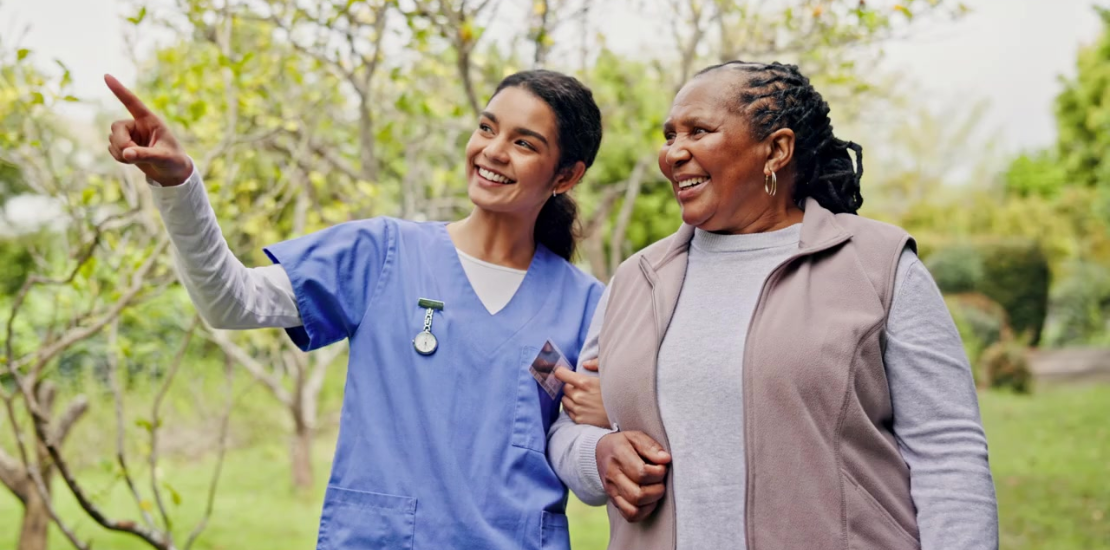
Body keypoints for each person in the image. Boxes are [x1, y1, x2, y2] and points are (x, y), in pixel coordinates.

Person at [105, 69, 610, 550]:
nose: (492, 151)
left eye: (524, 143)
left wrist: (609, 420)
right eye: (486, 128)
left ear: (566, 175)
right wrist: (179, 185)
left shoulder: (587, 305)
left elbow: (583, 443)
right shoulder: (381, 253)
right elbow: (230, 300)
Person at [548, 61, 999, 550]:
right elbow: (568, 429)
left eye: (699, 131)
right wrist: (599, 455)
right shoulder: (637, 279)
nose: (674, 153)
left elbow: (948, 452)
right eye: (670, 134)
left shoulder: (879, 266)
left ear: (777, 150)